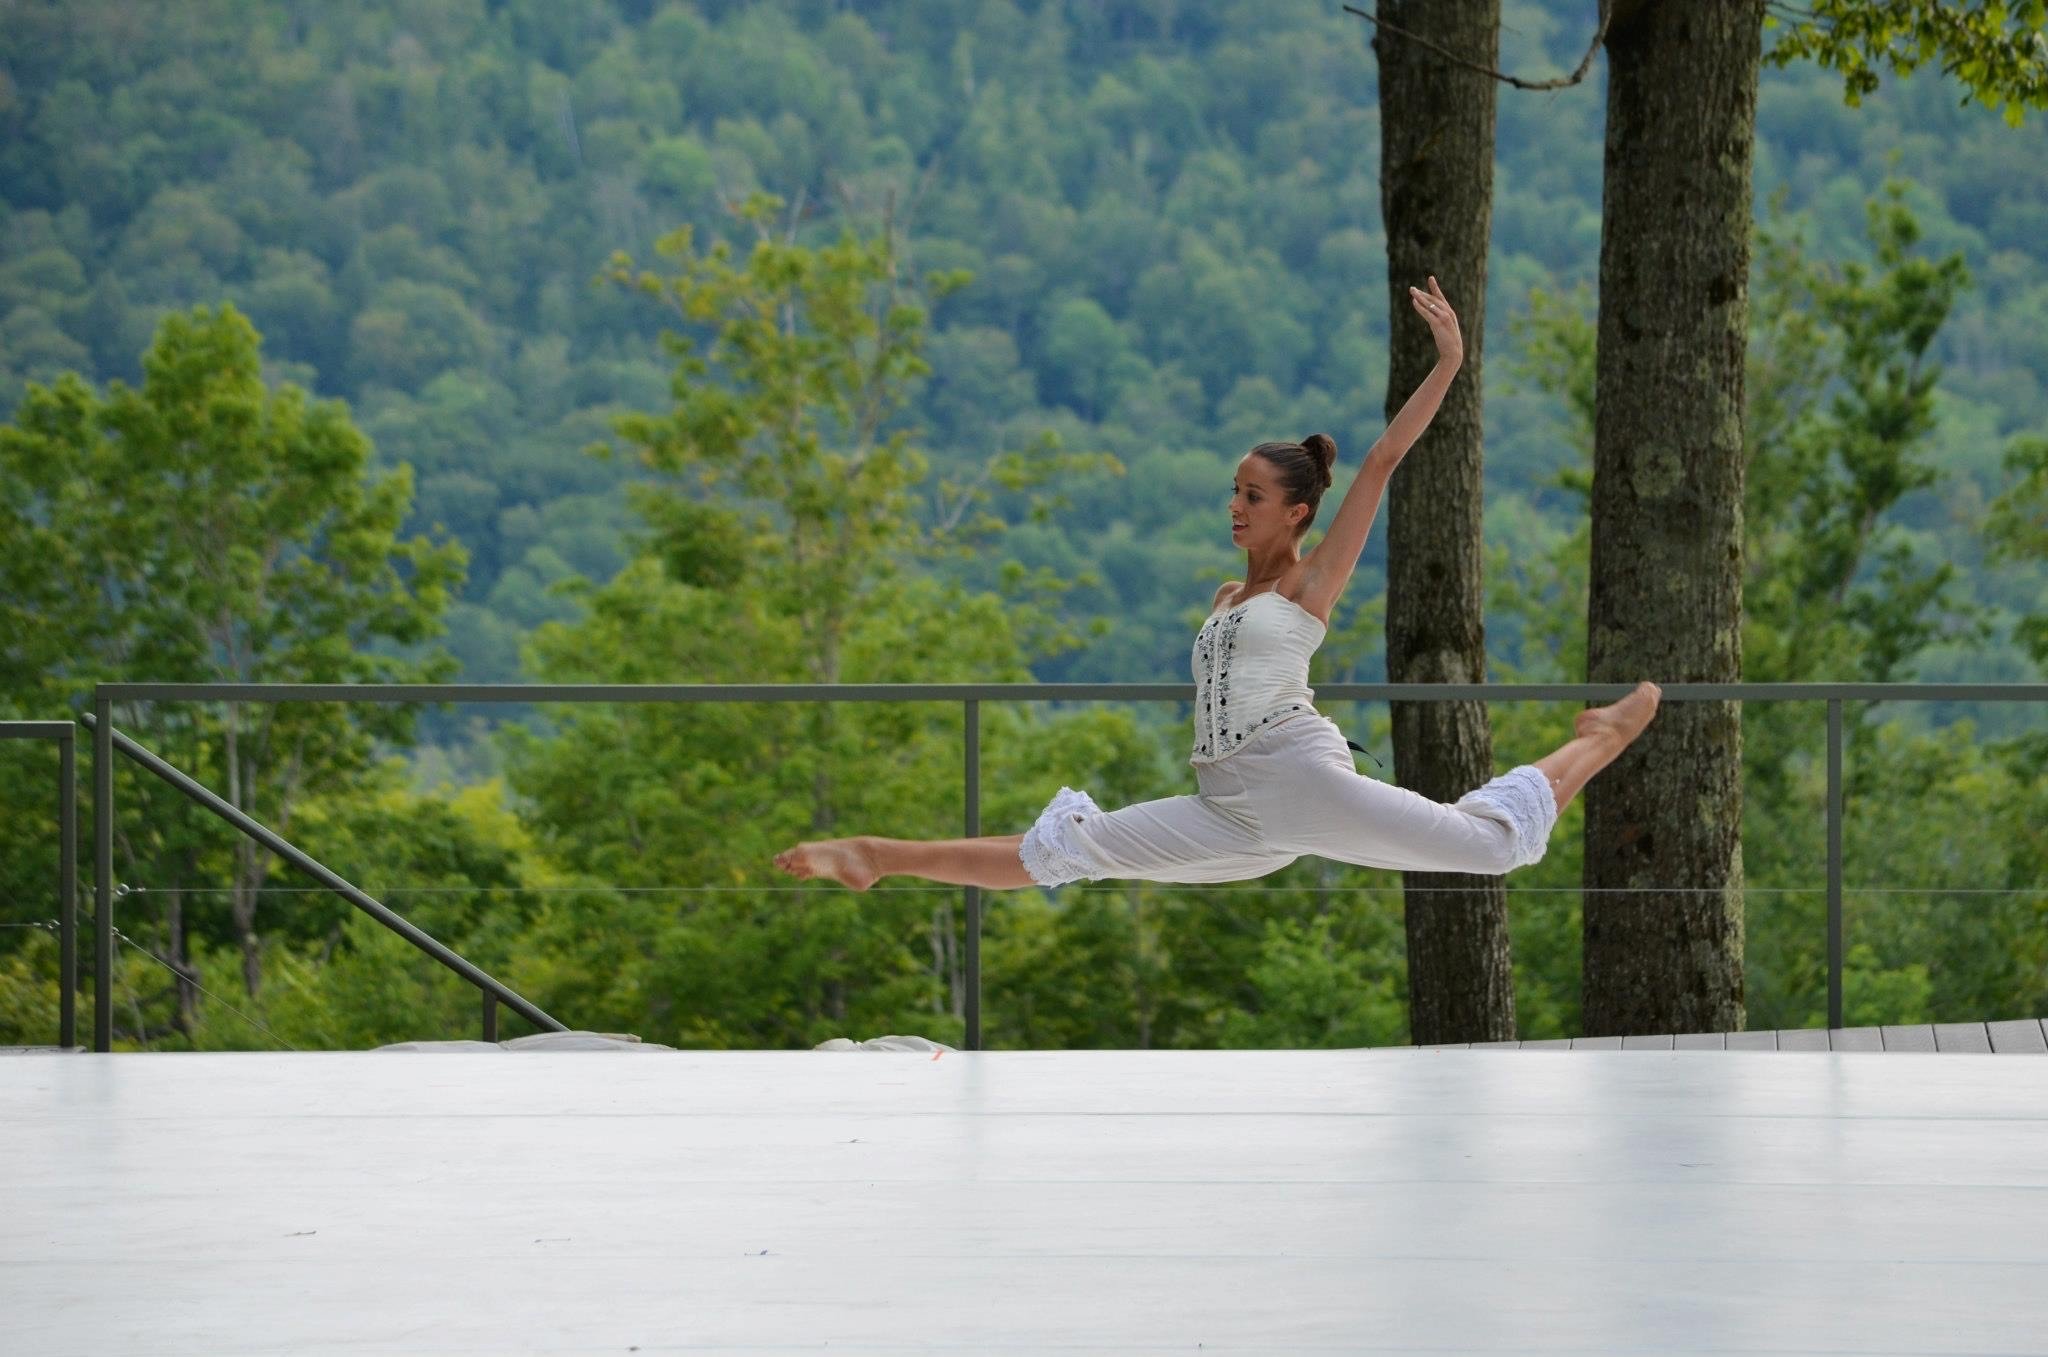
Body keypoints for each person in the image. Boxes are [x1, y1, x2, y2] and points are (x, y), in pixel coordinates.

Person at [773, 277, 1660, 893]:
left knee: (1492, 847)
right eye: (1234, 491)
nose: (1235, 507)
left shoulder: (1310, 586)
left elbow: (1385, 461)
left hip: (1297, 779)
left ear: (1298, 513)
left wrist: (1448, 364)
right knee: (1070, 850)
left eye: (1253, 495)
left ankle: (1600, 739)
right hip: (1228, 804)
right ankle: (874, 855)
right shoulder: (1225, 601)